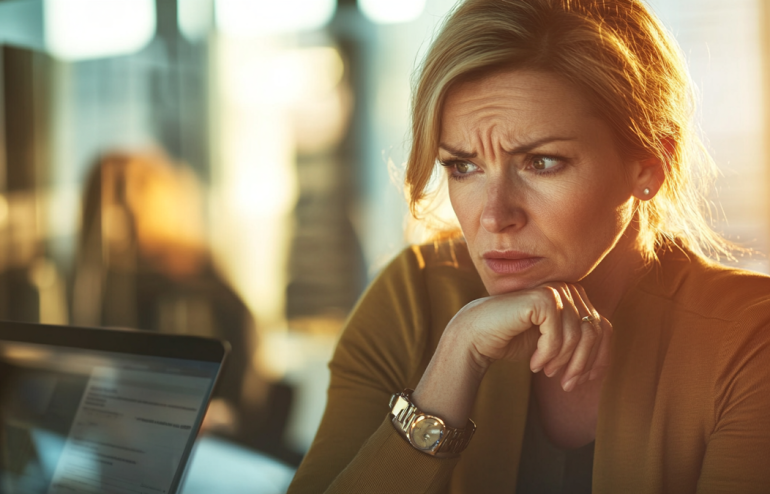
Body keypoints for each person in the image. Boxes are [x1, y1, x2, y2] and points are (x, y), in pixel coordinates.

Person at [288, 0, 770, 492]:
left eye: (541, 162)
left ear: (648, 164)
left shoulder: (750, 339)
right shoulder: (413, 297)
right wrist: (456, 355)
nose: (495, 216)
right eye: (463, 166)